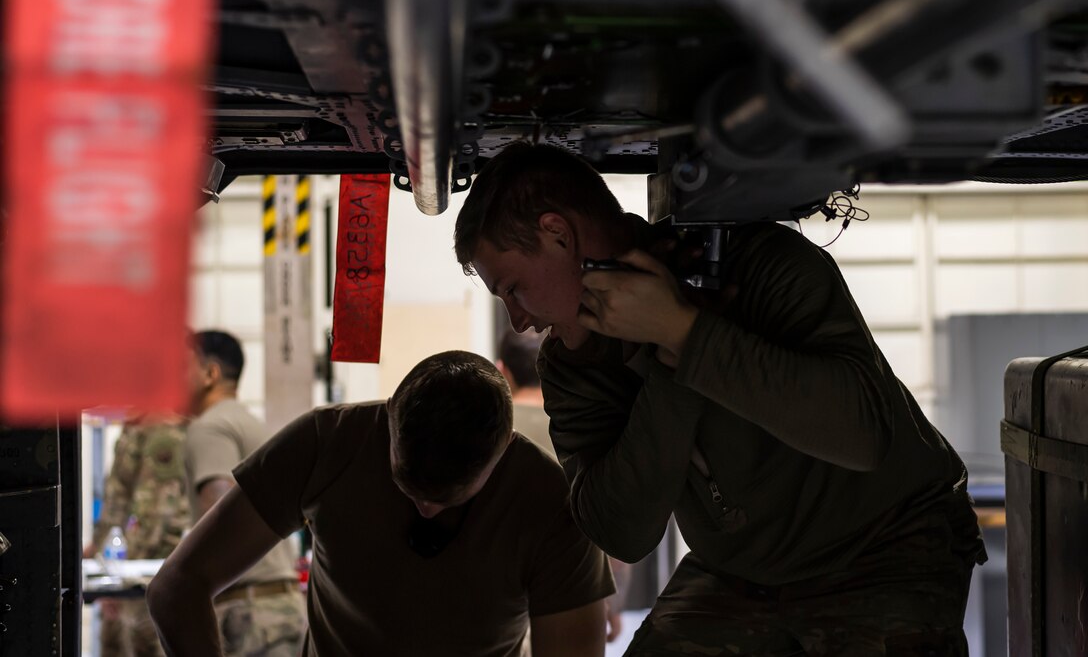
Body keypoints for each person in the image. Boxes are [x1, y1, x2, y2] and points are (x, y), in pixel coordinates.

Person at [454, 141, 987, 655]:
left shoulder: (759, 265)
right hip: (744, 570)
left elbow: (865, 436)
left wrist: (690, 332)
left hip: (884, 545)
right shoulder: (574, 364)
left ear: (557, 235)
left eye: (512, 289)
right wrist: (674, 349)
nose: (518, 319)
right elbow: (621, 531)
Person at [148, 349, 615, 656]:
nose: (426, 511)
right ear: (388, 414)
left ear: (503, 451)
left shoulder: (549, 502)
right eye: (407, 488)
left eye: (447, 498)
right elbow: (178, 587)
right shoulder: (326, 443)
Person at [496, 329, 632, 645]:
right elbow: (611, 526)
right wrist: (610, 603)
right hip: (574, 596)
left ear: (503, 371)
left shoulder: (493, 431)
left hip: (503, 603)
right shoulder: (580, 426)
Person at [182, 330, 305, 656]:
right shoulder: (253, 426)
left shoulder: (209, 427)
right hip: (281, 608)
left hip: (248, 614)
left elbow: (220, 515)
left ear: (211, 374)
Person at [84, 410, 190, 657]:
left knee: (144, 645)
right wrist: (98, 556)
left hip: (144, 579)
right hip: (122, 571)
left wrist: (117, 584)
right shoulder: (136, 425)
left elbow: (154, 518)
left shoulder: (162, 429)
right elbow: (117, 506)